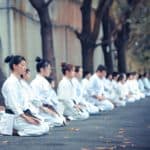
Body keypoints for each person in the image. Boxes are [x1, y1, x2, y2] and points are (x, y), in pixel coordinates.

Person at [1, 55, 49, 136]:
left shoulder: (19, 82)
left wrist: (31, 116)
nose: (25, 68)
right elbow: (14, 105)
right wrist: (26, 118)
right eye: (22, 65)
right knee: (41, 129)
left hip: (23, 114)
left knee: (45, 126)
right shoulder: (10, 83)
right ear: (15, 66)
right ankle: (15, 132)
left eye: (25, 65)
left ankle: (17, 130)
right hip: (15, 117)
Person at [30, 57, 64, 127]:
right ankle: (42, 122)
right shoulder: (35, 83)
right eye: (48, 69)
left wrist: (54, 111)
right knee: (59, 121)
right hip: (40, 109)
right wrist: (46, 109)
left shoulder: (44, 81)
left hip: (47, 108)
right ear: (42, 69)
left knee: (61, 119)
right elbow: (34, 100)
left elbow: (49, 99)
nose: (50, 71)